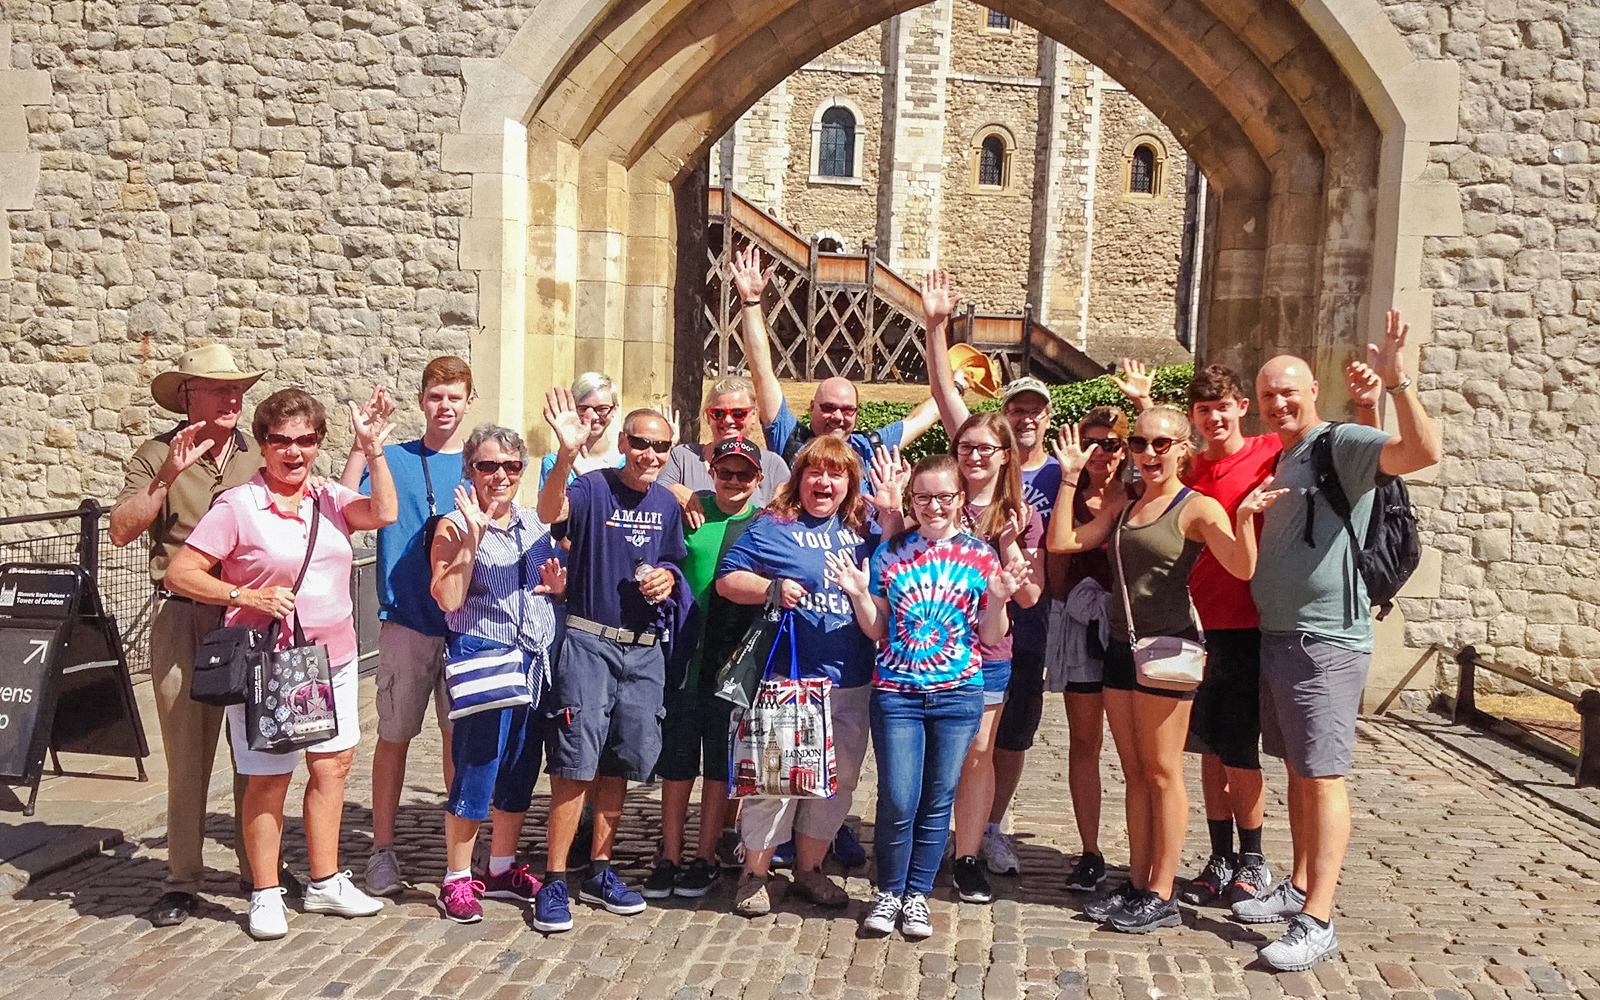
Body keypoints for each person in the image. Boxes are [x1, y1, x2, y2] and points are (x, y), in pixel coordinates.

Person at [1238, 311, 1441, 972]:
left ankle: (1318, 919)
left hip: (1326, 639)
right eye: (1268, 394)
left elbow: (1422, 454)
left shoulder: (1340, 441)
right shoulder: (1286, 453)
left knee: (1324, 777)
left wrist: (1397, 383)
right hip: (1282, 635)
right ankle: (1299, 883)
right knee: (1300, 772)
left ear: (1312, 391)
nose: (1278, 402)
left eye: (1288, 391)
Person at [164, 388, 398, 940]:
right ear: (264, 444)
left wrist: (372, 449)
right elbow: (181, 573)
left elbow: (383, 512)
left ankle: (325, 881)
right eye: (281, 441)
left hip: (332, 659)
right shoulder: (238, 506)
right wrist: (244, 595)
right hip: (272, 665)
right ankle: (265, 892)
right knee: (268, 779)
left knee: (331, 767)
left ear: (318, 443)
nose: (294, 452)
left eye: (306, 440)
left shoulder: (329, 498)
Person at [1048, 407, 1285, 934]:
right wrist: (1068, 479)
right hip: (1120, 647)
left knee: (1162, 772)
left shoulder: (1196, 506)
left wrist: (1244, 518)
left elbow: (1241, 566)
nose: (1148, 453)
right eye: (1139, 443)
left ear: (1182, 448)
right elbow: (1062, 542)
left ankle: (1162, 891)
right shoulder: (1126, 501)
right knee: (1135, 773)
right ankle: (1137, 882)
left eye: (1161, 444)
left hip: (1167, 650)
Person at [831, 454, 1030, 940]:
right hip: (897, 693)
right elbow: (877, 629)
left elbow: (990, 635)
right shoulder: (891, 552)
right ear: (911, 500)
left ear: (960, 499)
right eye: (923, 497)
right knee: (899, 797)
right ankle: (889, 890)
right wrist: (860, 595)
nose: (934, 506)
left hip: (958, 694)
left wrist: (999, 598)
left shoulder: (981, 555)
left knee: (939, 799)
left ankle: (917, 893)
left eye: (944, 497)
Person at [715, 437, 906, 916]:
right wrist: (771, 588)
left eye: (836, 474)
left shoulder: (864, 530)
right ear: (798, 478)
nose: (824, 482)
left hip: (851, 679)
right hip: (789, 681)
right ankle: (754, 874)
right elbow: (727, 580)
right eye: (814, 472)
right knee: (775, 785)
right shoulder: (773, 526)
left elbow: (898, 563)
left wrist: (892, 512)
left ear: (849, 483)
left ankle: (810, 870)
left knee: (837, 783)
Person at [110, 345, 267, 927]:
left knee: (257, 749)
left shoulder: (260, 453)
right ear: (187, 396)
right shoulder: (156, 454)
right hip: (183, 616)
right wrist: (167, 477)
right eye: (218, 388)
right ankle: (182, 880)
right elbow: (121, 530)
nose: (232, 398)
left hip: (250, 617)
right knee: (187, 755)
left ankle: (260, 871)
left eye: (238, 388)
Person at [534, 392, 687, 933]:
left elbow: (672, 560)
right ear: (623, 442)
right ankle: (555, 879)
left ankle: (601, 868)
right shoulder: (593, 487)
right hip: (590, 641)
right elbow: (549, 513)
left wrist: (668, 577)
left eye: (660, 446)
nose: (650, 454)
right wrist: (566, 454)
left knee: (621, 759)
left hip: (644, 649)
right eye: (640, 442)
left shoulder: (666, 504)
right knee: (575, 760)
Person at [921, 269, 1054, 885]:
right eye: (966, 448)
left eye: (985, 450)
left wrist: (1007, 551)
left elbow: (1031, 594)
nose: (974, 457)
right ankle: (926, 848)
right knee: (936, 754)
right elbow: (944, 392)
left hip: (991, 651)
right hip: (931, 646)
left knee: (980, 752)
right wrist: (936, 327)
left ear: (1004, 455)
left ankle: (969, 851)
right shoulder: (940, 499)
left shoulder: (1018, 515)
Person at [338, 356, 474, 898]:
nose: (445, 406)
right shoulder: (392, 457)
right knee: (394, 737)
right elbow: (344, 503)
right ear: (421, 401)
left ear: (469, 402)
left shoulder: (482, 462)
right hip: (407, 620)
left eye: (454, 397)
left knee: (459, 743)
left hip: (466, 623)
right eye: (436, 396)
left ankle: (460, 857)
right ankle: (382, 849)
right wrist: (362, 444)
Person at [428, 425, 565, 923]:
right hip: (486, 658)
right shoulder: (451, 526)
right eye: (488, 466)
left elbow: (548, 579)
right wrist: (474, 538)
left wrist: (558, 588)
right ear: (471, 470)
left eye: (510, 466)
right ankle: (456, 877)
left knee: (518, 771)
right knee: (476, 769)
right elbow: (448, 598)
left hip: (533, 663)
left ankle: (502, 867)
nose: (500, 476)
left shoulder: (533, 523)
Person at [644, 437, 767, 900]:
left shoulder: (764, 524)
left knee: (719, 763)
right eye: (725, 472)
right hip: (682, 654)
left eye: (743, 474)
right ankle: (670, 855)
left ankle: (705, 855)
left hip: (732, 660)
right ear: (711, 472)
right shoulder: (688, 511)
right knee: (677, 763)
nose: (733, 481)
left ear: (757, 479)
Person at [731, 245, 942, 477]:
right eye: (828, 408)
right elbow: (762, 373)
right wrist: (751, 302)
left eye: (848, 410)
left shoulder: (869, 448)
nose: (838, 417)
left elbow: (920, 419)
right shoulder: (789, 439)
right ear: (812, 408)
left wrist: (958, 385)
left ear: (857, 413)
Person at [1044, 406, 1127, 894]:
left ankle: (1146, 857)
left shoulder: (1138, 494)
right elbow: (1056, 556)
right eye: (1092, 442)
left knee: (1138, 752)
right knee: (1085, 742)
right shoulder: (1069, 493)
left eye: (1111, 443)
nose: (1101, 452)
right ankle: (1091, 850)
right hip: (1082, 626)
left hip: (1129, 630)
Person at [660, 375, 791, 512]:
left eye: (738, 413)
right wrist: (672, 489)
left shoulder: (772, 465)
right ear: (708, 417)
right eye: (718, 413)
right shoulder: (683, 458)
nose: (728, 420)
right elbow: (653, 498)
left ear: (753, 416)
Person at [537, 372, 625, 489]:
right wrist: (566, 459)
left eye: (602, 409)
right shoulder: (554, 462)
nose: (593, 417)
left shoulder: (628, 461)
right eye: (584, 409)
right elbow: (548, 500)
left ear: (614, 409)